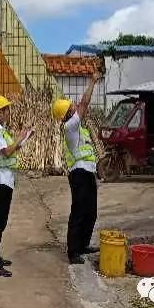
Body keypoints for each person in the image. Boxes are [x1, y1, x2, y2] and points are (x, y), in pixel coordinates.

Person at [52, 70, 104, 265]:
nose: (75, 105)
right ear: (67, 112)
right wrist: (92, 81)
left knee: (91, 212)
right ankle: (73, 251)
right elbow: (85, 103)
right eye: (71, 106)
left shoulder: (77, 127)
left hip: (87, 172)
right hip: (79, 174)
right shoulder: (70, 127)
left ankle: (83, 245)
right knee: (79, 212)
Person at [0, 94, 30, 277]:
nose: (8, 113)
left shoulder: (0, 129)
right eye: (6, 110)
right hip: (1, 180)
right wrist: (19, 138)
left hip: (6, 179)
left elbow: (12, 149)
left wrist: (24, 138)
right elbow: (6, 152)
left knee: (0, 221)